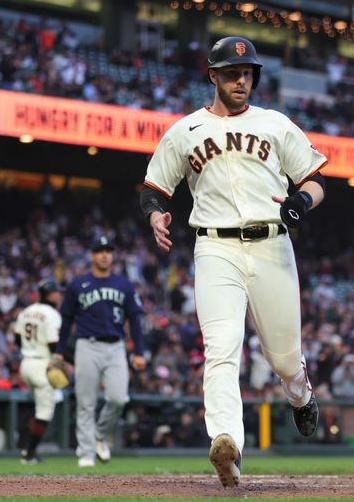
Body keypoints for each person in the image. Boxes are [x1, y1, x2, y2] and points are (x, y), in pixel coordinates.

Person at [140, 35, 327, 487]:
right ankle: (227, 443)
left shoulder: (276, 123)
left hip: (272, 245)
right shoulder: (185, 130)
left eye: (246, 73)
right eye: (231, 73)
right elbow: (154, 189)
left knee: (283, 360)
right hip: (215, 248)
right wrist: (154, 215)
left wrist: (302, 201)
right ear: (213, 76)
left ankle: (299, 394)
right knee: (221, 349)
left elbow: (317, 181)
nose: (241, 80)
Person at [54, 236, 146, 468]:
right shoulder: (78, 284)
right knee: (86, 402)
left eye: (108, 250)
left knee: (118, 398)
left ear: (112, 255)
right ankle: (85, 452)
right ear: (92, 256)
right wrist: (59, 351)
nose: (104, 254)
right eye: (99, 251)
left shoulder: (124, 284)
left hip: (116, 346)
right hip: (87, 345)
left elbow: (135, 320)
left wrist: (139, 351)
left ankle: (99, 435)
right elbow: (66, 320)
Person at [14, 278, 63, 464]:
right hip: (43, 364)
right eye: (56, 291)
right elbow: (53, 344)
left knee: (38, 409)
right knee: (44, 412)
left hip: (26, 363)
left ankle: (27, 448)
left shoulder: (26, 311)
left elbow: (17, 340)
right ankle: (29, 453)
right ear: (49, 294)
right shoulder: (51, 314)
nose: (59, 295)